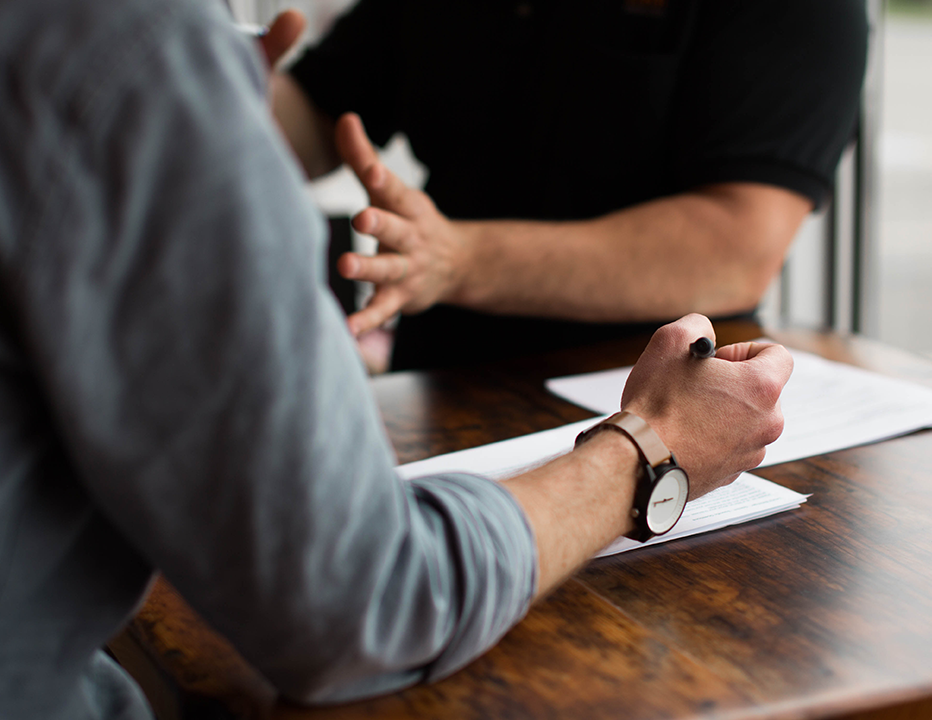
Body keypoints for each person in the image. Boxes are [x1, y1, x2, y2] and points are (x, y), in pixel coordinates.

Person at [0, 0, 794, 718]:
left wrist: (206, 110)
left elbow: (741, 242)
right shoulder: (130, 43)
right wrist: (651, 447)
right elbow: (360, 601)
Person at [273, 0, 870, 371]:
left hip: (653, 406)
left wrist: (456, 259)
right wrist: (208, 98)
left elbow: (736, 247)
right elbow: (319, 111)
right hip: (442, 385)